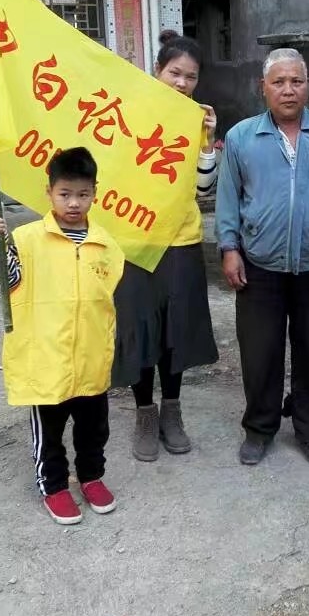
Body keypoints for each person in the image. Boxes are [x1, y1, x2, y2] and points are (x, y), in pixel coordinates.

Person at [215, 48, 309, 468]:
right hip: (259, 266)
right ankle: (259, 429)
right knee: (259, 353)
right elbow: (228, 199)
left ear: (307, 85)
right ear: (263, 87)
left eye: (296, 81)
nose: (288, 90)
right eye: (278, 82)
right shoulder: (242, 137)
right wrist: (229, 248)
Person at [0, 147, 125, 525]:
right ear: (49, 192)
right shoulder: (27, 238)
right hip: (46, 358)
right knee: (49, 431)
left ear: (95, 193)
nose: (74, 202)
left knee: (94, 427)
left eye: (82, 194)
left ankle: (92, 477)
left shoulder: (106, 245)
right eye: (65, 194)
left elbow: (107, 297)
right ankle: (54, 486)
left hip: (90, 357)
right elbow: (8, 279)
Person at [111, 31, 219, 462]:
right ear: (157, 70)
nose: (182, 83)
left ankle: (172, 413)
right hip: (133, 241)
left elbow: (203, 189)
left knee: (176, 332)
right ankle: (144, 414)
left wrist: (208, 143)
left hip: (180, 241)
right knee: (139, 331)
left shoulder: (196, 120)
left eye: (191, 77)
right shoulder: (128, 112)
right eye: (175, 73)